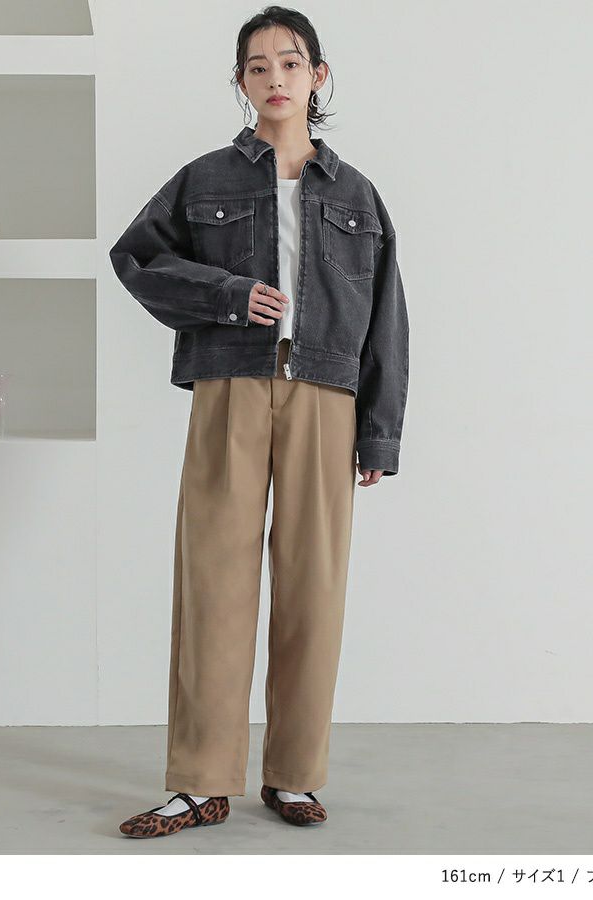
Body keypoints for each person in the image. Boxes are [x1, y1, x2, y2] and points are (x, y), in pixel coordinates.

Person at [109, 5, 409, 839]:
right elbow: (136, 257)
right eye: (257, 66)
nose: (275, 77)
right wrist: (228, 296)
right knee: (213, 581)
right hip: (230, 388)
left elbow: (386, 319)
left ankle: (293, 775)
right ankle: (199, 783)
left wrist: (379, 432)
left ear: (318, 75)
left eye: (290, 62)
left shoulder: (356, 194)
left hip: (325, 398)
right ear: (241, 83)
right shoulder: (204, 179)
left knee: (314, 588)